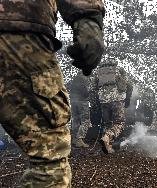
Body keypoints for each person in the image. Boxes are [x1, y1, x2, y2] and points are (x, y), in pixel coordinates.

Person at [0, 1, 105, 187]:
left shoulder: (85, 81)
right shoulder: (89, 80)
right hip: (20, 32)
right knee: (50, 165)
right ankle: (80, 140)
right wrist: (88, 17)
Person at [91, 57, 133, 154]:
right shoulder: (119, 70)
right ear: (114, 63)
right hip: (117, 100)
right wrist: (127, 100)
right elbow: (130, 85)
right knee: (119, 123)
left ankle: (108, 146)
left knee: (108, 124)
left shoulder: (98, 72)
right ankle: (107, 137)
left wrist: (95, 104)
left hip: (103, 101)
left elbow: (92, 89)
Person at [70, 72, 92, 148]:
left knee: (75, 120)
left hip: (73, 102)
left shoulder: (75, 79)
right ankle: (79, 139)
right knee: (86, 121)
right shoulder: (85, 79)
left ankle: (74, 140)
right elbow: (86, 92)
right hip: (82, 102)